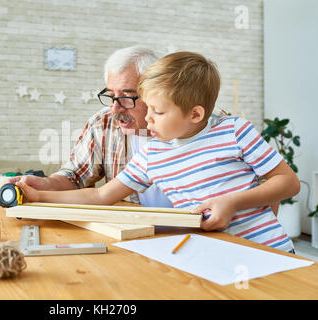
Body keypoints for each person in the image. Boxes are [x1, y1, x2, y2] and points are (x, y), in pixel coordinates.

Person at [16, 51, 300, 252]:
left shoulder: (233, 130)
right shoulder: (153, 154)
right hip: (212, 253)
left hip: (267, 250)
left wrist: (233, 202)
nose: (148, 118)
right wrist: (40, 196)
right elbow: (100, 195)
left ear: (195, 114)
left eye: (157, 110)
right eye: (148, 108)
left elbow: (288, 182)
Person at [5, 46, 172, 207]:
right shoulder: (104, 122)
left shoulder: (187, 129)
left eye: (127, 96)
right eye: (111, 96)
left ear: (155, 92)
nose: (115, 108)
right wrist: (46, 184)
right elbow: (78, 177)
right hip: (136, 230)